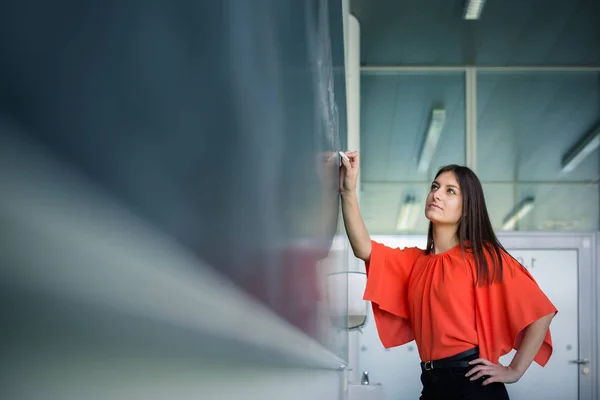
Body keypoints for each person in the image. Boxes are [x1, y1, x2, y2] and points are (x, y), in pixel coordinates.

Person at [339, 151, 557, 400]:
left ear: (466, 208)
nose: (437, 194)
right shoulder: (414, 261)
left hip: (471, 384)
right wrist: (348, 191)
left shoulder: (482, 257)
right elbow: (363, 248)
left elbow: (543, 312)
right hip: (431, 383)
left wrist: (514, 370)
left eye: (450, 191)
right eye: (435, 186)